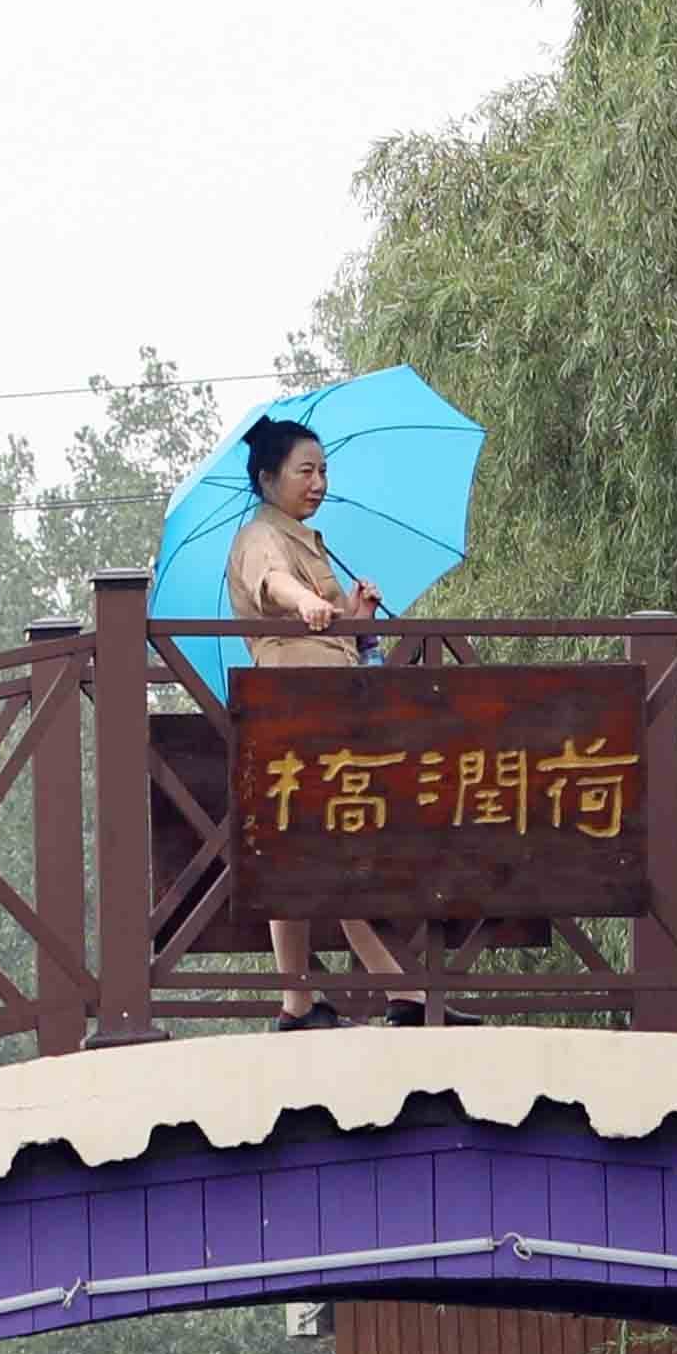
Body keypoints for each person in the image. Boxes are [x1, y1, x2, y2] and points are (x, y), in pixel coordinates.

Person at [215, 418, 424, 1027]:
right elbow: (272, 583)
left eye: (323, 470)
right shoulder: (261, 536)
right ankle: (386, 994)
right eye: (305, 471)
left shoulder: (310, 540)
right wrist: (302, 600)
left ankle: (310, 1002)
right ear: (267, 478)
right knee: (311, 848)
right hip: (292, 714)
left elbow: (338, 632)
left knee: (309, 850)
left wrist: (355, 614)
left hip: (327, 711)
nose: (318, 482)